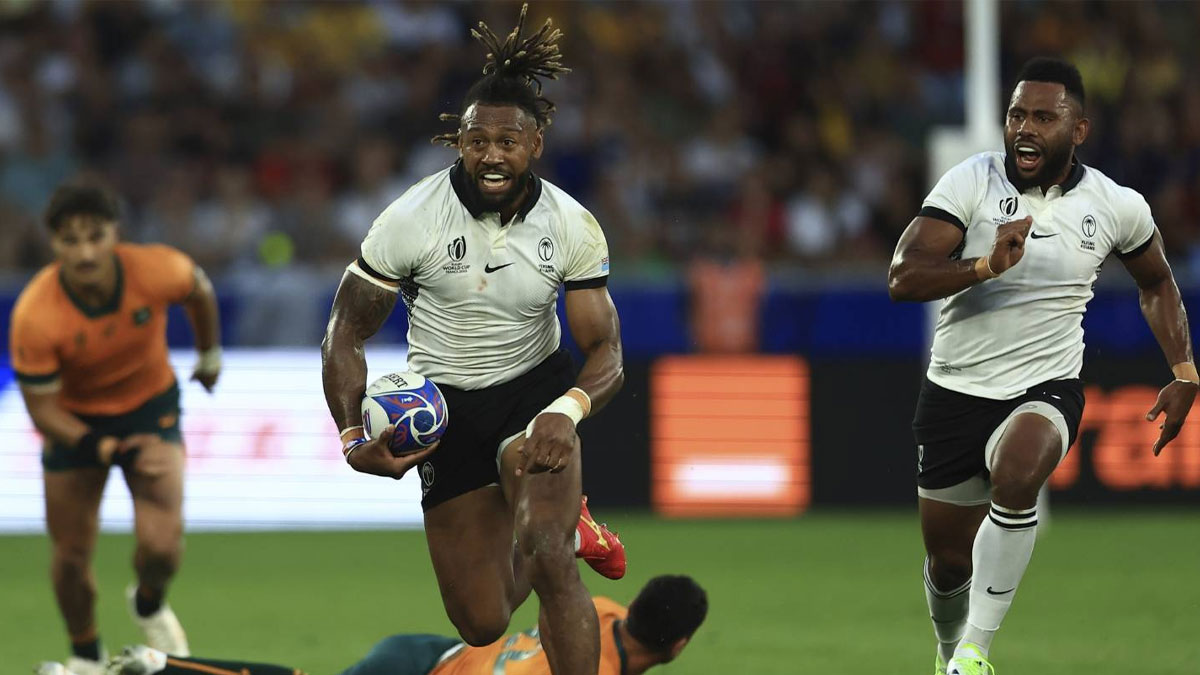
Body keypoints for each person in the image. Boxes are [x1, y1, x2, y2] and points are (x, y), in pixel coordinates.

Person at [320, 6, 626, 675]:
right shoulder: (410, 220)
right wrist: (350, 437)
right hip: (445, 412)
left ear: (535, 144)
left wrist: (566, 410)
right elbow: (345, 332)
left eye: (507, 141)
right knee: (481, 619)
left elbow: (606, 351)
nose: (492, 154)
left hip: (533, 395)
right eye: (477, 140)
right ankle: (566, 527)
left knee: (549, 559)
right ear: (458, 143)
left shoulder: (571, 225)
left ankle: (556, 530)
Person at [888, 57, 1197, 675]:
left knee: (1018, 472)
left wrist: (1184, 370)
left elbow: (1158, 282)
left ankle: (974, 652)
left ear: (1078, 130)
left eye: (1042, 117)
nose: (1024, 128)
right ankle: (950, 656)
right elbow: (903, 277)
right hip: (956, 389)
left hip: (1046, 386)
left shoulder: (1116, 204)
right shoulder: (970, 183)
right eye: (1016, 115)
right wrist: (983, 266)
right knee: (948, 563)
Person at [10, 183, 223, 674]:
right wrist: (103, 446)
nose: (85, 253)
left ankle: (148, 604)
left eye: (95, 236)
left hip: (150, 410)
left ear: (115, 234)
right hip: (75, 424)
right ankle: (86, 654)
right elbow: (42, 412)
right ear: (53, 243)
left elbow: (199, 291)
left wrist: (209, 354)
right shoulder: (35, 314)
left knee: (162, 548)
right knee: (70, 556)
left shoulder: (157, 268)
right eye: (70, 240)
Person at [41, 575, 706, 675]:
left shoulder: (596, 609)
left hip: (428, 650)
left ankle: (165, 662)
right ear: (678, 646)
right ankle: (163, 667)